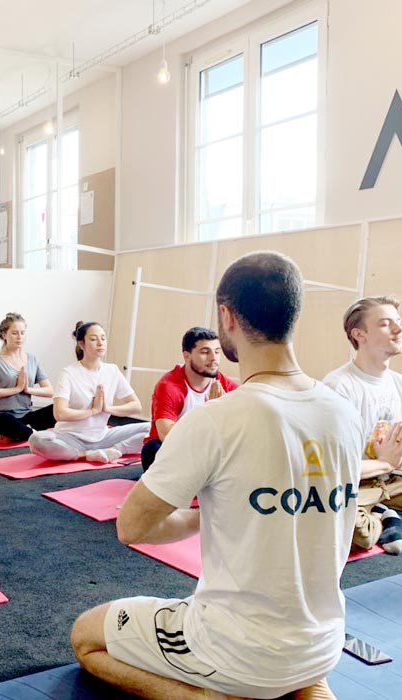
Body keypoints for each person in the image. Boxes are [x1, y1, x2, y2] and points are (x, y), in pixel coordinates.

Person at [70, 251, 363, 700]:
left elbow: (131, 527)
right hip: (322, 647)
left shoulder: (217, 418)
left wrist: (199, 517)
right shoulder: (345, 412)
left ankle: (215, 696)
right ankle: (303, 684)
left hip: (234, 651)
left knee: (85, 635)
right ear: (293, 315)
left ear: (226, 316)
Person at [323, 295, 402, 555]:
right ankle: (379, 517)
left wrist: (395, 463)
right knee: (350, 531)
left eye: (398, 322)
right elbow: (333, 468)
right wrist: (384, 463)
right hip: (356, 486)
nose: (399, 329)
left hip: (396, 479)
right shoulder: (338, 388)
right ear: (359, 335)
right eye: (386, 324)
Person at [29, 322, 149, 463]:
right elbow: (59, 413)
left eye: (103, 338)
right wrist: (93, 411)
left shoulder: (112, 370)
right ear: (81, 344)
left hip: (104, 436)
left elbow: (136, 406)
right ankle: (85, 454)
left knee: (153, 427)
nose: (100, 343)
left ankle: (116, 450)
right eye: (93, 339)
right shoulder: (69, 373)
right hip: (71, 437)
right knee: (37, 440)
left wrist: (107, 409)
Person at [141, 326, 238, 471]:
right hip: (178, 450)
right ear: (187, 356)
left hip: (209, 450)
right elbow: (167, 436)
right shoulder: (169, 385)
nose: (214, 358)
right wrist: (209, 413)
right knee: (152, 449)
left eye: (217, 352)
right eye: (205, 352)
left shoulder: (226, 385)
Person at [0, 312, 55, 443]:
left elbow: (49, 391)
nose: (19, 337)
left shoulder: (32, 359)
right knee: (5, 419)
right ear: (4, 335)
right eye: (15, 333)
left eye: (22, 333)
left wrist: (28, 390)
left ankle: (16, 434)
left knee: (56, 409)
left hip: (25, 416)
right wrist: (17, 388)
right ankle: (34, 435)